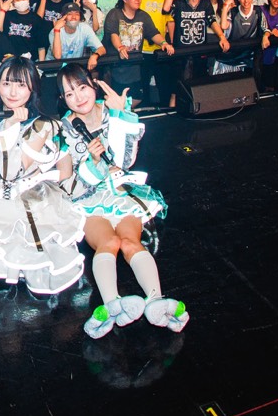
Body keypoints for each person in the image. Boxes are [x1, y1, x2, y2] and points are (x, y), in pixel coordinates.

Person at [57, 63, 188, 337]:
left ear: (93, 84)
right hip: (87, 198)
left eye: (82, 87)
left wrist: (122, 115)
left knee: (130, 242)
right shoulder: (63, 130)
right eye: (69, 93)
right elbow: (68, 184)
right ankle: (111, 305)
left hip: (122, 194)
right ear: (63, 99)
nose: (78, 97)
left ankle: (156, 300)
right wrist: (93, 164)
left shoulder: (113, 110)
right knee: (109, 242)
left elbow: (125, 161)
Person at [0, 57, 84, 295]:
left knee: (38, 264)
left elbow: (12, 172)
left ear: (32, 87)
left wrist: (9, 126)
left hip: (34, 199)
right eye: (6, 83)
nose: (13, 92)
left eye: (21, 84)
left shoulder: (44, 125)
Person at [50, 2, 104, 72]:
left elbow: (102, 49)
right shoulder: (54, 31)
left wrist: (95, 55)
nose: (74, 17)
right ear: (63, 17)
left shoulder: (84, 28)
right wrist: (57, 30)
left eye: (77, 14)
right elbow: (57, 56)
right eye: (69, 14)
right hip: (53, 71)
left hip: (74, 70)